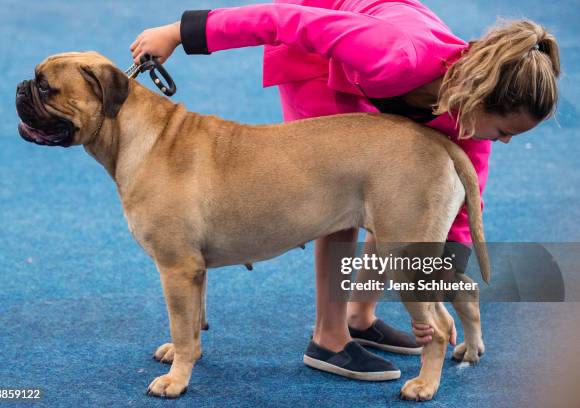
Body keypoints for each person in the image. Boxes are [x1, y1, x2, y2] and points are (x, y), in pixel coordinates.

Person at [130, 0, 560, 381]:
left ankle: (360, 315)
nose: (503, 142)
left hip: (375, 69)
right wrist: (179, 33)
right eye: (504, 131)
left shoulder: (470, 121)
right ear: (480, 95)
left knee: (397, 194)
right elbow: (284, 19)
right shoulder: (395, 54)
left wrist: (428, 278)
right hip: (315, 55)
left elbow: (453, 212)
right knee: (332, 199)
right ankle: (329, 337)